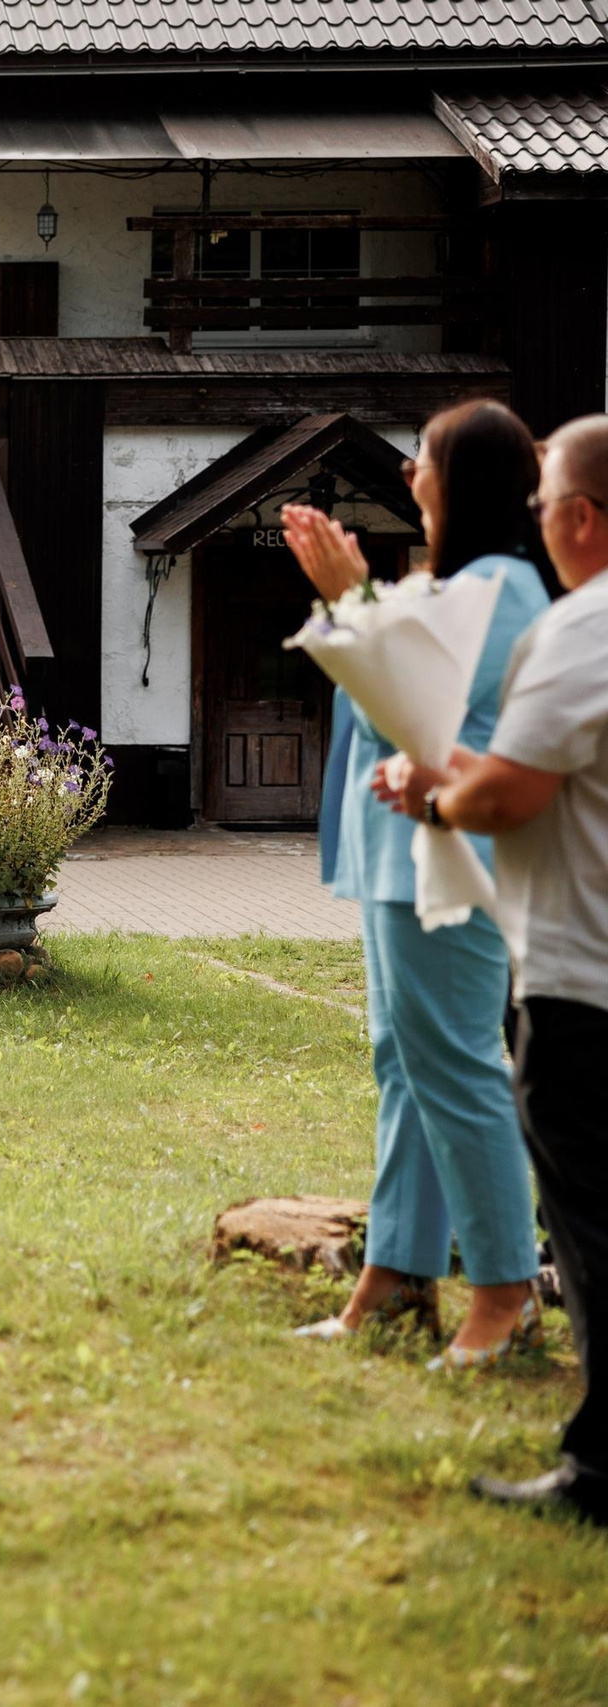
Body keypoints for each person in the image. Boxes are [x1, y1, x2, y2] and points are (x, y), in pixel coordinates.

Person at [279, 400, 551, 1370]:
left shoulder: (498, 589)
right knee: (404, 1065)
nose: (406, 475)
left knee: (457, 1070)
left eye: (421, 459)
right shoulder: (459, 582)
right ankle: (394, 1278)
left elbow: (406, 699)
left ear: (465, 480)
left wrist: (352, 601)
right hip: (395, 855)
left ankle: (505, 1294)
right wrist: (361, 600)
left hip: (444, 857)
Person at [377, 413, 608, 1526]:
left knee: (590, 1217)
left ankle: (591, 1447)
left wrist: (435, 790)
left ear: (573, 516)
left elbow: (510, 790)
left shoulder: (565, 620)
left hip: (578, 969)